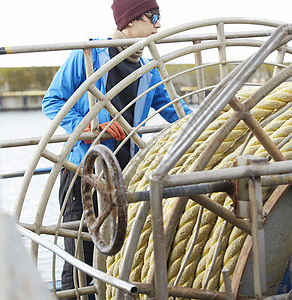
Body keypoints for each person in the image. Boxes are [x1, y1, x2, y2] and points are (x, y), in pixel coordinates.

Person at [42, 0, 192, 299]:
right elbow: (53, 101)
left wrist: (208, 125)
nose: (158, 25)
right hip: (83, 173)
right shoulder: (88, 54)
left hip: (123, 175)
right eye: (154, 17)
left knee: (120, 251)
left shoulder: (148, 68)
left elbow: (177, 111)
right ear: (130, 21)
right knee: (82, 253)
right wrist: (87, 128)